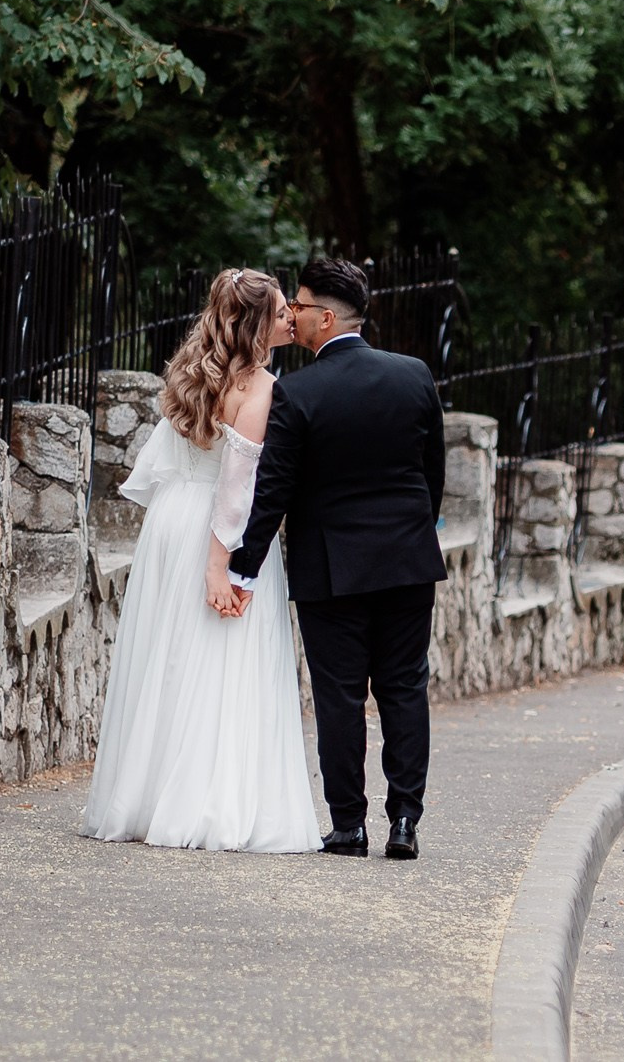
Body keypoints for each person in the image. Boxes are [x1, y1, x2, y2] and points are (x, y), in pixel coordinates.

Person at [80, 269, 321, 853]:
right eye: (281, 311)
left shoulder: (193, 369)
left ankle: (148, 794)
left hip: (171, 518)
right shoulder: (260, 389)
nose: (292, 318)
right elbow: (236, 489)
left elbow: (161, 461)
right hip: (215, 530)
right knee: (216, 658)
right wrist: (220, 567)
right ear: (257, 325)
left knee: (169, 654)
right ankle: (201, 803)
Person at [225, 258, 447, 860]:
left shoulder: (298, 393)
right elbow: (432, 476)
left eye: (297, 306)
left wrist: (242, 566)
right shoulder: (414, 376)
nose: (291, 315)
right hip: (407, 562)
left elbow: (274, 492)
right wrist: (410, 534)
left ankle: (349, 825)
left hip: (331, 568)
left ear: (325, 318)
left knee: (339, 696)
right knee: (405, 687)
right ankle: (405, 821)